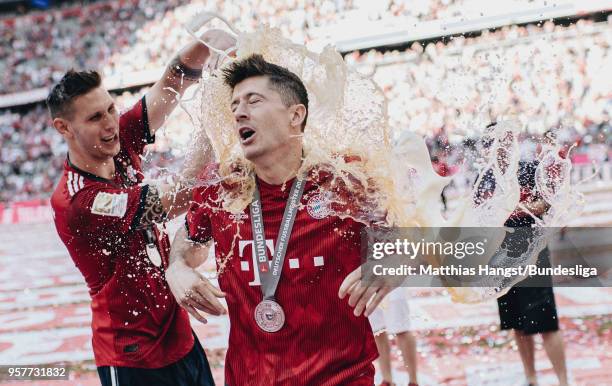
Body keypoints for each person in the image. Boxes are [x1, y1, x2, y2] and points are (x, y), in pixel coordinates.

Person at [166, 54, 391, 385]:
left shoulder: (345, 177)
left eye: (253, 101)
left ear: (295, 115)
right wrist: (177, 268)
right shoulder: (222, 187)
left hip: (341, 378)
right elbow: (189, 243)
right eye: (235, 105)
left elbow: (415, 237)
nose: (239, 111)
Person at [47, 28, 235, 386]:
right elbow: (181, 197)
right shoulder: (76, 201)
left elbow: (173, 81)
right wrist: (216, 118)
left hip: (180, 338)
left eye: (110, 109)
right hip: (132, 359)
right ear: (63, 128)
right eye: (94, 118)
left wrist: (211, 39)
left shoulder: (118, 142)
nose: (109, 125)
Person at [496, 160, 569, 386]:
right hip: (501, 253)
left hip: (532, 250)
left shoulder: (527, 167)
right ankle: (531, 378)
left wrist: (515, 208)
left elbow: (547, 202)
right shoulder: (488, 176)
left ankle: (563, 381)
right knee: (516, 322)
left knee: (546, 321)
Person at [369, 288, 419, 386]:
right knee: (377, 331)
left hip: (390, 279)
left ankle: (413, 382)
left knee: (402, 329)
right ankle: (387, 380)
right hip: (365, 282)